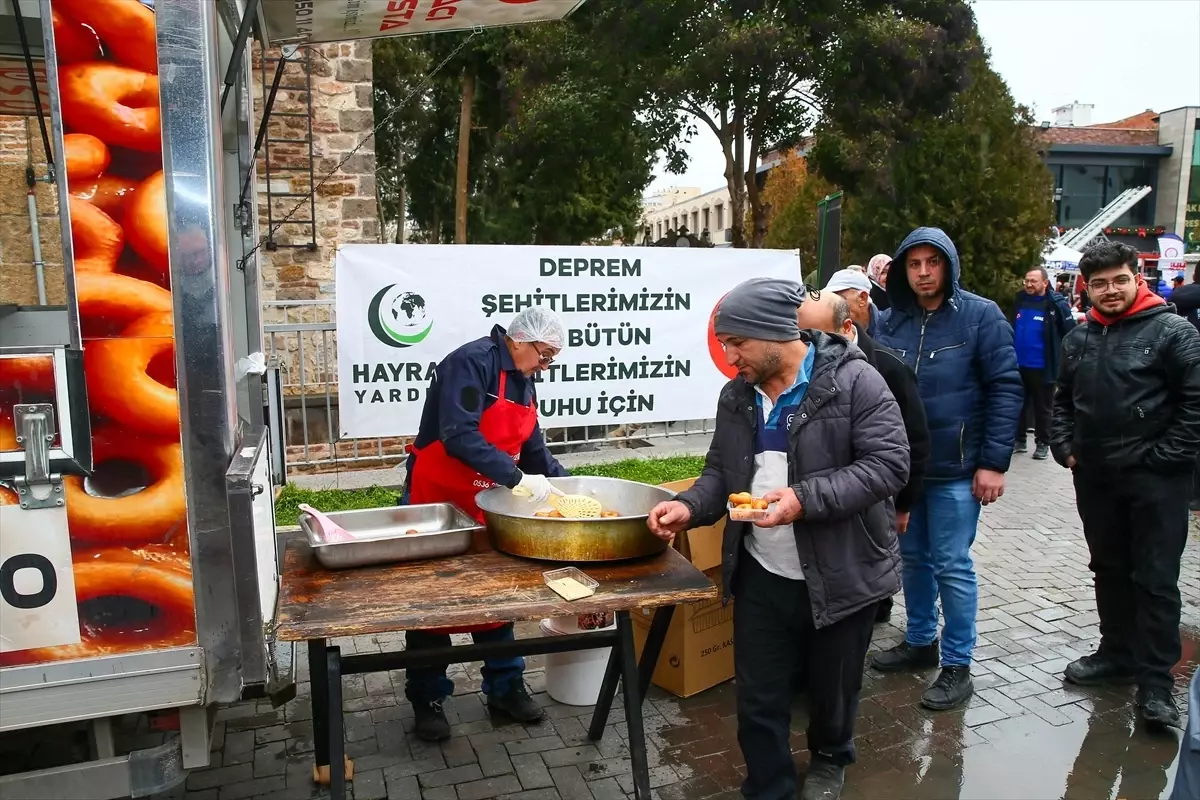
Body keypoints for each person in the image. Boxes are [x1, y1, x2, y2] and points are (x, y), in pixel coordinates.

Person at [647, 278, 910, 800]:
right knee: (759, 696)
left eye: (736, 343)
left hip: (842, 570)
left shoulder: (857, 381)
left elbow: (888, 465)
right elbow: (721, 471)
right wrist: (690, 506)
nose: (728, 356)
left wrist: (804, 499)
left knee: (833, 687)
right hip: (762, 571)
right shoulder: (737, 395)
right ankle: (769, 786)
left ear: (772, 334)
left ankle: (832, 755)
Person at [870, 227, 1023, 711]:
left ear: (948, 265)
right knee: (911, 560)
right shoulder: (889, 322)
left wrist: (993, 463)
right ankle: (920, 642)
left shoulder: (980, 316)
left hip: (958, 469)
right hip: (904, 470)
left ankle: (957, 664)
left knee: (952, 565)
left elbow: (1005, 387)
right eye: (913, 265)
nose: (923, 273)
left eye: (931, 263)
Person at [400, 306, 570, 740]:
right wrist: (515, 479)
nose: (544, 366)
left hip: (487, 502)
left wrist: (569, 489)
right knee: (431, 605)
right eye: (544, 355)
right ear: (521, 340)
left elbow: (533, 450)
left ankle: (505, 688)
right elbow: (459, 434)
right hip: (438, 499)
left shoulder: (523, 381)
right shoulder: (469, 363)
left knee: (498, 599)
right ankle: (428, 697)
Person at [1050, 241, 1200, 729]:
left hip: (1157, 482)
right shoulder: (1079, 337)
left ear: (1138, 277)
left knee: (1155, 580)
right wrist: (1065, 446)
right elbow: (1062, 400)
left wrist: (1160, 460)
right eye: (1099, 283)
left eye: (1118, 280)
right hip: (1095, 478)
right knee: (1109, 569)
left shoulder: (1173, 332)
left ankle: (1156, 683)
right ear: (1086, 287)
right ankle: (1116, 653)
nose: (1109, 290)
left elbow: (1194, 406)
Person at [798, 292, 930, 625]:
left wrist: (904, 504)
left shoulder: (887, 368)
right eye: (800, 335)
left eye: (815, 335)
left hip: (876, 497)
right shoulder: (801, 369)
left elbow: (913, 440)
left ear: (845, 327)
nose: (806, 346)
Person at [1010, 267, 1075, 460]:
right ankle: (1019, 440)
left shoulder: (1055, 304)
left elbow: (1070, 333)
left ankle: (1043, 443)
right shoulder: (1019, 299)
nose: (1029, 285)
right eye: (1027, 280)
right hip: (1019, 365)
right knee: (1018, 405)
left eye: (1034, 281)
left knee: (1043, 408)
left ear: (1045, 283)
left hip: (1044, 366)